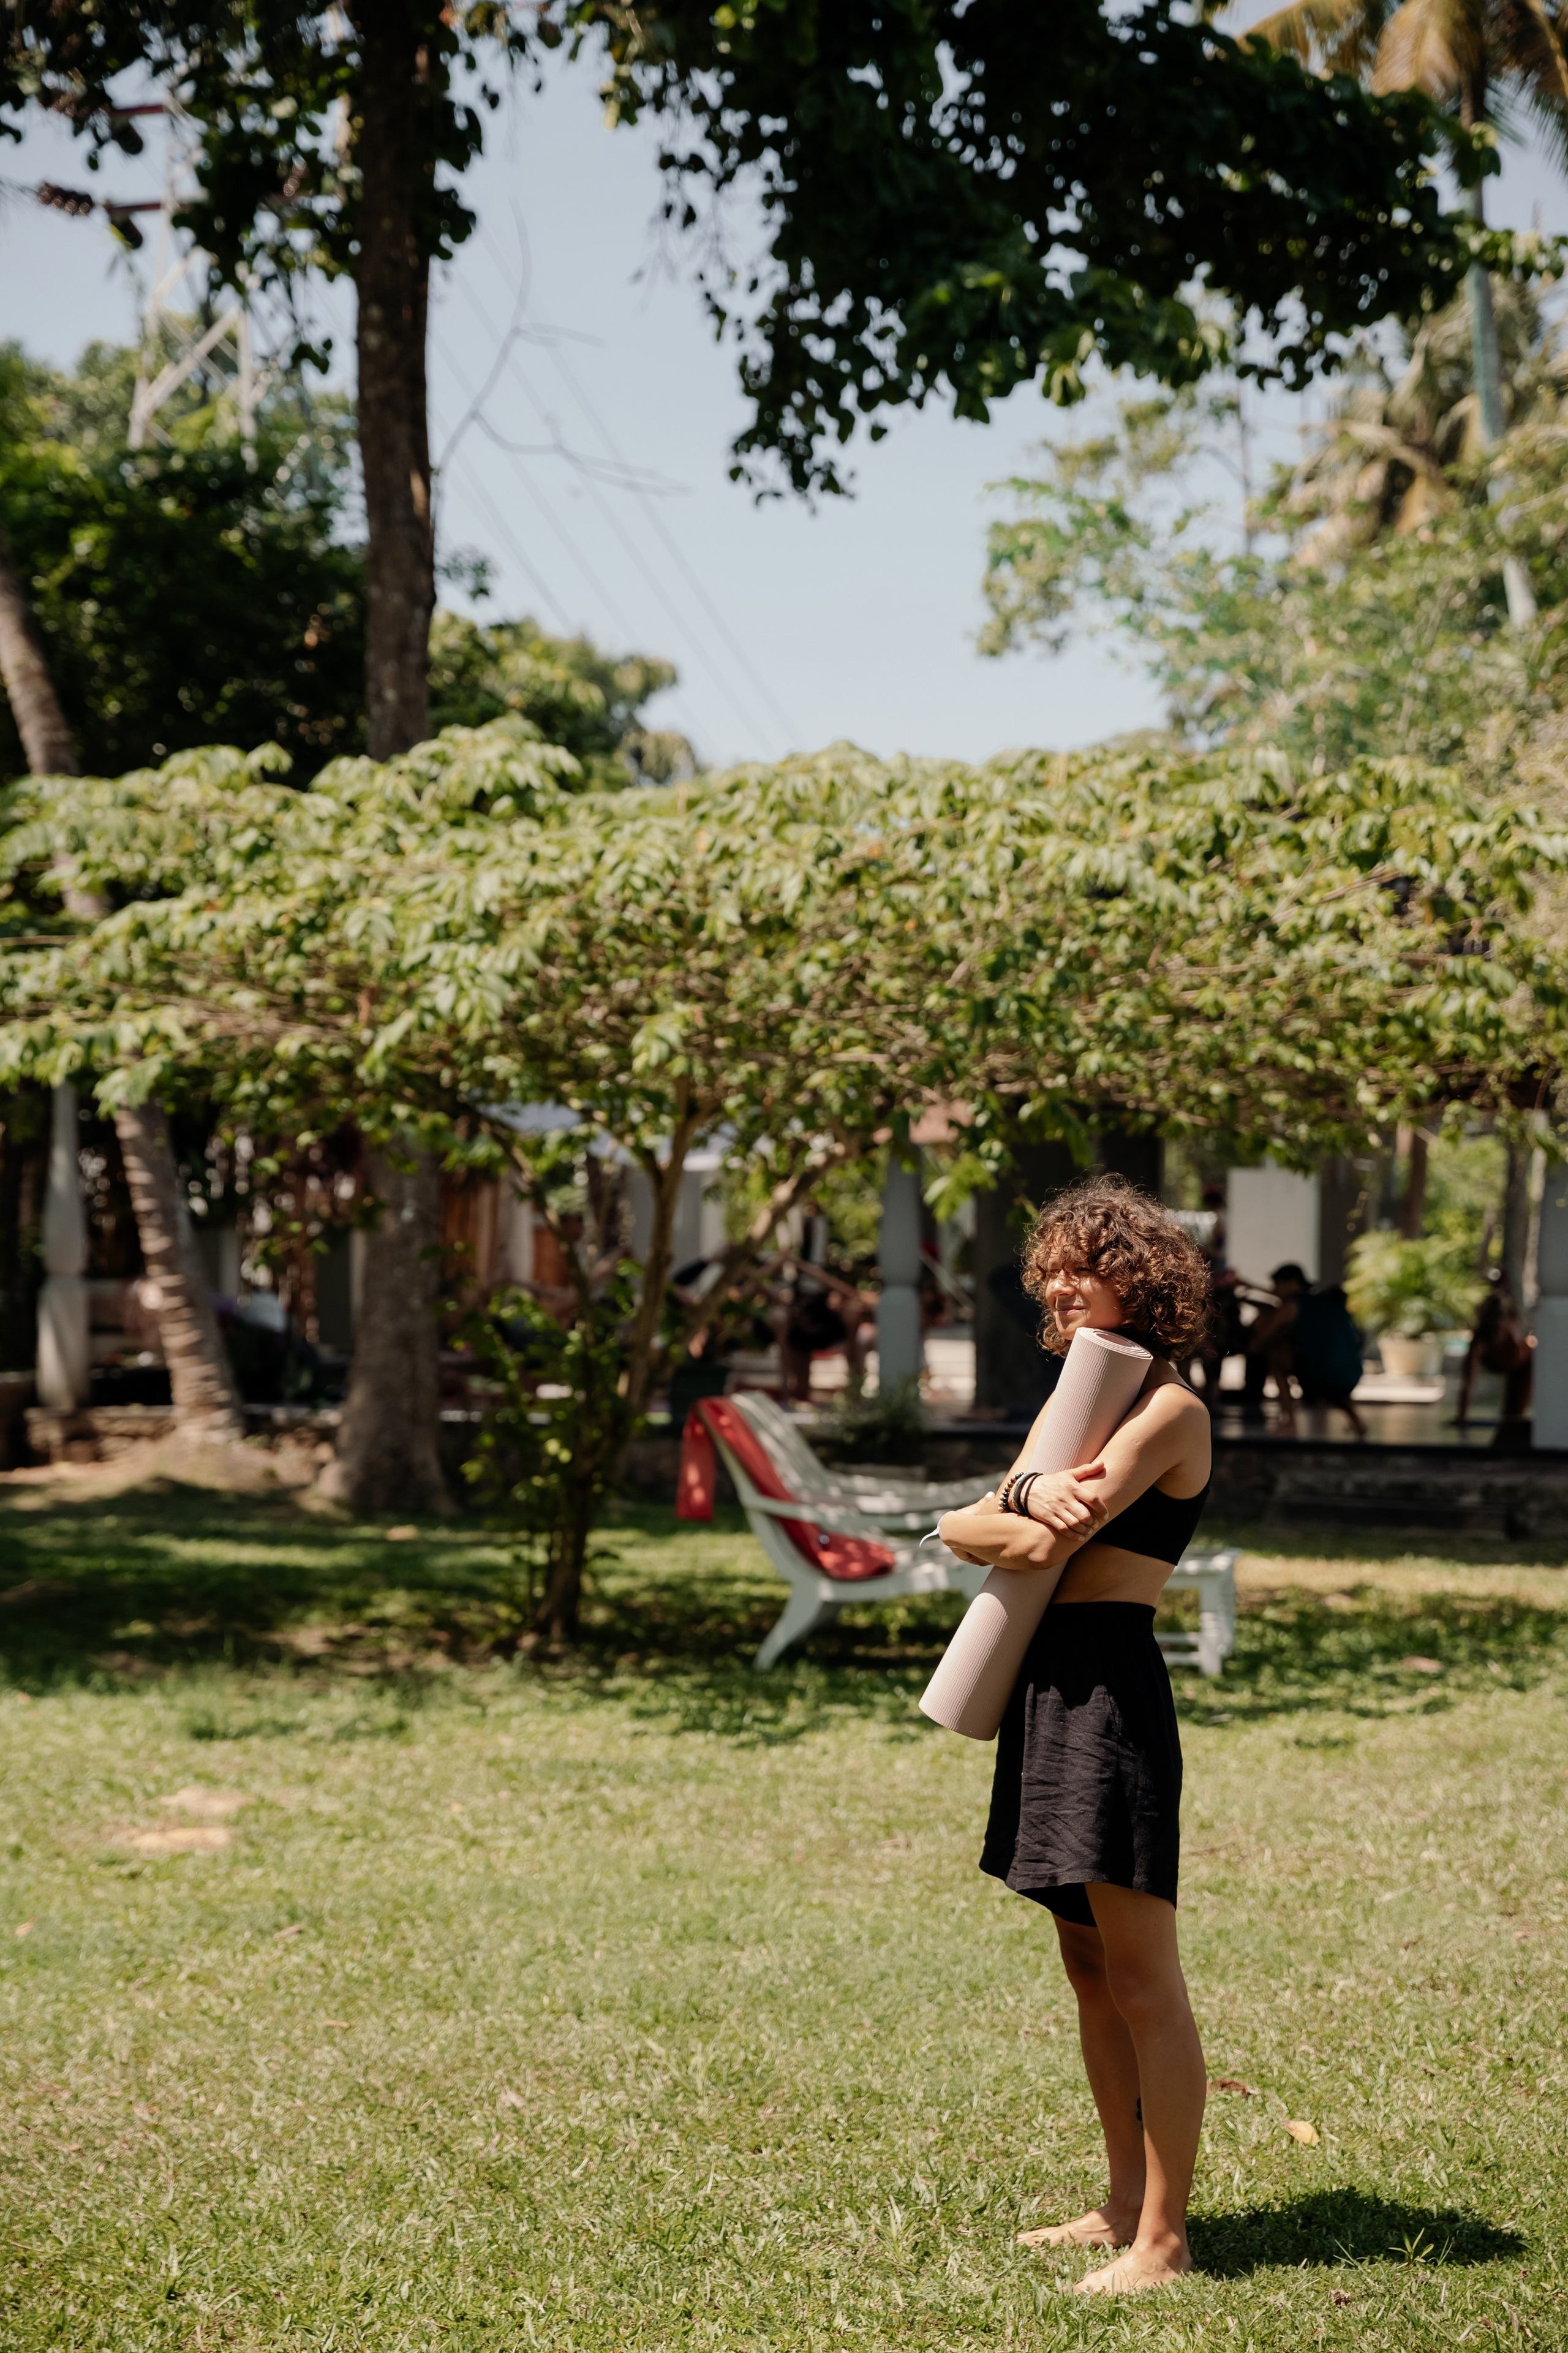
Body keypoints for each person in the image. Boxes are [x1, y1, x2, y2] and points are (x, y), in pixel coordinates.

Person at [937, 1175, 1212, 2297]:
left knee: (1145, 1977)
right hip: (1050, 1687)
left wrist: (1000, 1513)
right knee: (1086, 1964)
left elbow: (1036, 1534)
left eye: (1085, 1263)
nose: (1059, 1281)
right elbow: (975, 1523)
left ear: (1139, 1277)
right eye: (1052, 1265)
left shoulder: (1166, 1411)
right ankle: (1118, 2203)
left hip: (1109, 1690)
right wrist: (989, 1513)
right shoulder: (1083, 1405)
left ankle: (1167, 2239)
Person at [1457, 1267, 1534, 1438]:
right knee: (1512, 1415)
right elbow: (1469, 1380)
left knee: (1514, 1414)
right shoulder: (1481, 1340)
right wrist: (1462, 1415)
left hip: (1523, 1363)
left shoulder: (1510, 1324)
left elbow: (1517, 1324)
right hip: (1506, 1359)